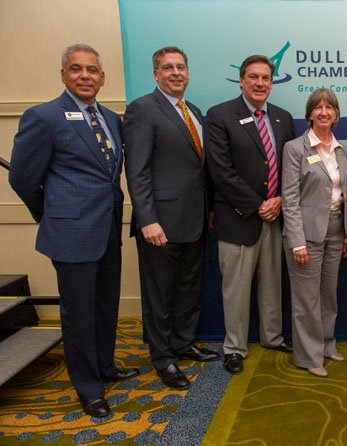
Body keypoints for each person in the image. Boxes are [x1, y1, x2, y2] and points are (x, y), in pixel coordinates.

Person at [9, 44, 138, 417]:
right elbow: (22, 177)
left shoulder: (112, 120)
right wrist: (50, 213)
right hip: (71, 233)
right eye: (77, 69)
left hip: (107, 228)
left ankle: (105, 366)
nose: (86, 76)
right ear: (63, 74)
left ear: (102, 77)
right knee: (79, 313)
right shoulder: (44, 116)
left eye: (93, 70)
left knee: (104, 305)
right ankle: (88, 387)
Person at [123, 46, 219, 390]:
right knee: (159, 293)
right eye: (168, 67)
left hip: (194, 220)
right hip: (159, 223)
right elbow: (137, 170)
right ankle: (163, 358)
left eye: (181, 67)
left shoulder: (192, 111)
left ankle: (182, 342)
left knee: (188, 288)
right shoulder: (142, 110)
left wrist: (209, 210)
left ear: (188, 73)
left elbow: (198, 167)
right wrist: (147, 217)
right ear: (156, 74)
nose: (175, 72)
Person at [205, 55, 295, 375]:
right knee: (236, 288)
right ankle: (234, 347)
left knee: (272, 283)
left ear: (272, 82)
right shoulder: (220, 115)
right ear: (241, 81)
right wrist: (259, 204)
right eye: (253, 77)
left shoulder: (283, 118)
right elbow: (220, 170)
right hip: (239, 216)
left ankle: (272, 336)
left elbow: (291, 168)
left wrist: (281, 200)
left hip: (276, 216)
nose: (260, 83)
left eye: (266, 78)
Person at [282, 88, 347, 378]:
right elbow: (290, 197)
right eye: (318, 107)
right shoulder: (295, 148)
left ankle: (326, 345)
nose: (324, 112)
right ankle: (308, 356)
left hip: (336, 231)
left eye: (329, 107)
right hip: (306, 236)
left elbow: (344, 194)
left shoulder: (340, 149)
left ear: (336, 114)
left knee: (328, 294)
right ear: (309, 113)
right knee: (306, 299)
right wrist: (296, 241)